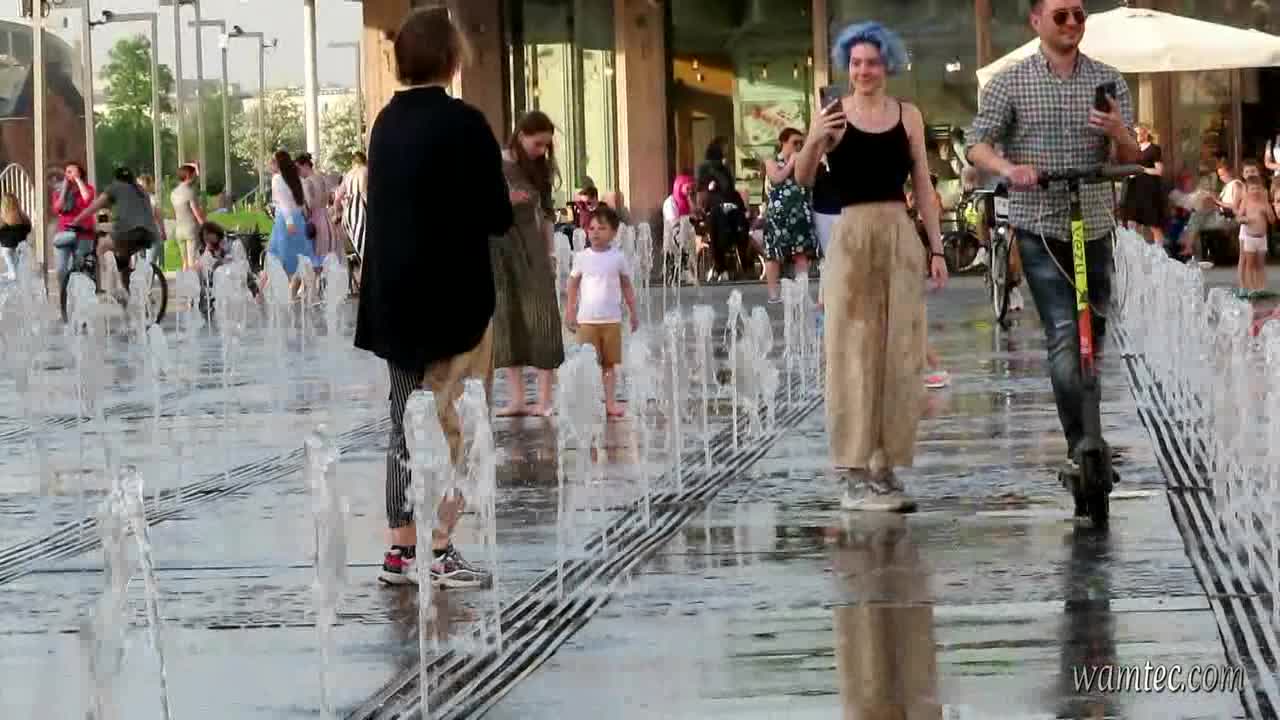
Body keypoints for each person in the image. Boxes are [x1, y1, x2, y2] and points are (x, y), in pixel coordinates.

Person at [354, 7, 512, 588]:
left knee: (406, 419)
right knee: (454, 423)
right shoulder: (465, 124)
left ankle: (401, 548)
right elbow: (496, 215)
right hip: (454, 304)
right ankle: (439, 548)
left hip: (394, 305)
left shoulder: (384, 124)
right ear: (452, 59)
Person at [966, 0, 1141, 486]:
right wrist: (1009, 170)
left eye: (1079, 14)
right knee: (1065, 332)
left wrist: (1119, 132)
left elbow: (1131, 154)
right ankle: (1081, 443)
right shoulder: (1011, 81)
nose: (1072, 23)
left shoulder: (1107, 79)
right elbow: (977, 144)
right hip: (1040, 225)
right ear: (1036, 21)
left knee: (1093, 334)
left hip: (1094, 223)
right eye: (1061, 15)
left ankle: (1088, 434)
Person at [794, 21, 948, 513]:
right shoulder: (834, 115)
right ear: (847, 65)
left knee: (900, 352)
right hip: (852, 235)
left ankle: (884, 464)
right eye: (856, 63)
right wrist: (814, 139)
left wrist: (937, 248)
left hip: (899, 233)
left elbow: (922, 185)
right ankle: (853, 470)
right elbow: (802, 179)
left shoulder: (909, 116)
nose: (864, 71)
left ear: (887, 65)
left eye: (873, 62)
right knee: (852, 350)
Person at [492, 111, 567, 418]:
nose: (541, 150)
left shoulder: (540, 168)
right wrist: (505, 200)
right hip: (500, 247)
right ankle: (517, 399)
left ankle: (545, 399)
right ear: (521, 135)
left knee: (543, 317)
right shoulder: (493, 163)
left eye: (546, 145)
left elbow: (547, 214)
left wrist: (550, 254)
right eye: (537, 144)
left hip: (532, 246)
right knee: (507, 318)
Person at [565, 206, 639, 418]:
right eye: (592, 228)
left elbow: (626, 286)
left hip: (611, 321)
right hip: (587, 321)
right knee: (587, 364)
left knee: (609, 365)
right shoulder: (582, 257)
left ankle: (610, 403)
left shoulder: (618, 257)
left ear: (614, 232)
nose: (595, 232)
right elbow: (572, 284)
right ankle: (588, 402)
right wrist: (570, 310)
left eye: (602, 228)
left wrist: (633, 312)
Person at [70, 166, 163, 292]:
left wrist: (76, 221)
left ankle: (103, 288)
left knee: (101, 245)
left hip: (129, 232)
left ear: (117, 178)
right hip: (149, 234)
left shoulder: (116, 187)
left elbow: (95, 206)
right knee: (123, 261)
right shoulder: (141, 190)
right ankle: (129, 295)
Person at [763, 128, 818, 303]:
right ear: (783, 142)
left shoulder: (801, 161)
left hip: (799, 213)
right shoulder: (771, 161)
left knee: (801, 254)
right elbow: (776, 178)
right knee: (774, 254)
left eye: (800, 143)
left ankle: (802, 293)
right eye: (795, 142)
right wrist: (790, 163)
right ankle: (773, 294)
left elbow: (810, 181)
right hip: (778, 216)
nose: (798, 146)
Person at [697, 137, 750, 282]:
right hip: (718, 207)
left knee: (734, 226)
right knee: (722, 226)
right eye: (725, 147)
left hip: (726, 206)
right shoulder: (708, 168)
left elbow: (729, 189)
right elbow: (703, 191)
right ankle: (725, 265)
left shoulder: (723, 167)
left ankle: (732, 264)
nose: (727, 150)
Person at [266, 150, 315, 294]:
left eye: (273, 161)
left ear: (278, 164)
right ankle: (291, 294)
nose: (270, 164)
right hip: (298, 219)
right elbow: (302, 202)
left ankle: (270, 295)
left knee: (279, 258)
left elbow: (283, 203)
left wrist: (288, 222)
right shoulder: (296, 178)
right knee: (299, 258)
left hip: (285, 221)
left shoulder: (277, 179)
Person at [1180, 161, 1243, 264]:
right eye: (1219, 175)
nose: (1221, 178)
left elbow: (1234, 206)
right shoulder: (1227, 186)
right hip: (1221, 215)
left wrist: (1216, 201)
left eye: (1223, 174)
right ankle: (1190, 249)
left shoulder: (1236, 185)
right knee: (1197, 216)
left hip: (1230, 218)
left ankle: (1189, 249)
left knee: (1196, 219)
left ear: (1231, 172)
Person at [1121, 125, 1167, 246]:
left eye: (1139, 133)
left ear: (1146, 133)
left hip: (1148, 190)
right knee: (1132, 223)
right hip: (1133, 189)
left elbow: (1159, 171)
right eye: (1135, 134)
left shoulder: (1154, 149)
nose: (1137, 136)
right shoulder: (1132, 150)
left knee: (1153, 224)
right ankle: (1137, 251)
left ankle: (1160, 252)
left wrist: (1142, 169)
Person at [51, 162, 95, 283]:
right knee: (61, 269)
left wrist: (77, 180)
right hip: (64, 233)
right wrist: (64, 189)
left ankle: (82, 292)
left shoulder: (88, 189)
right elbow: (57, 208)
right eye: (67, 172)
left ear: (80, 173)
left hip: (83, 234)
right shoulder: (58, 191)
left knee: (80, 266)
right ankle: (63, 293)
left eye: (71, 171)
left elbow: (87, 198)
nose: (68, 174)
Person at [297, 153, 341, 262]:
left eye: (298, 168)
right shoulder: (322, 179)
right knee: (329, 259)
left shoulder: (307, 182)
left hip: (315, 224)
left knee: (316, 260)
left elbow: (309, 206)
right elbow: (329, 198)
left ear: (305, 165)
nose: (298, 172)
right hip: (328, 221)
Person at [1238, 176, 1272, 291]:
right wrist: (1244, 219)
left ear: (1261, 189)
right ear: (1247, 190)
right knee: (1250, 264)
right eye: (1253, 189)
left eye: (1258, 188)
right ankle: (1251, 288)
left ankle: (1261, 287)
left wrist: (1267, 211)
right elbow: (1238, 217)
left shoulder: (1264, 202)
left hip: (1262, 238)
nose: (1256, 191)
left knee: (1260, 264)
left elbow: (1272, 220)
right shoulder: (1246, 202)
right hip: (1250, 238)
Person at [171, 164, 206, 271]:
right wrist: (205, 226)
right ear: (188, 176)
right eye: (194, 174)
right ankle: (193, 281)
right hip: (191, 229)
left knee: (185, 263)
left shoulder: (174, 193)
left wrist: (196, 168)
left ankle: (184, 280)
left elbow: (175, 212)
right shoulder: (190, 192)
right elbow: (196, 213)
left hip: (179, 230)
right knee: (192, 262)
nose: (195, 176)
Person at [336, 152, 368, 262]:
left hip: (348, 215)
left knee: (358, 250)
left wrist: (337, 214)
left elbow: (337, 197)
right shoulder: (364, 170)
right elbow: (363, 191)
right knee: (365, 250)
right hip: (360, 213)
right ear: (364, 161)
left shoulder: (348, 174)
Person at [0, 193, 31, 280]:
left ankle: (12, 272)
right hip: (21, 245)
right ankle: (13, 272)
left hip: (7, 247)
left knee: (7, 255)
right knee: (18, 263)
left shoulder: (2, 218)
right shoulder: (23, 217)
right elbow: (28, 229)